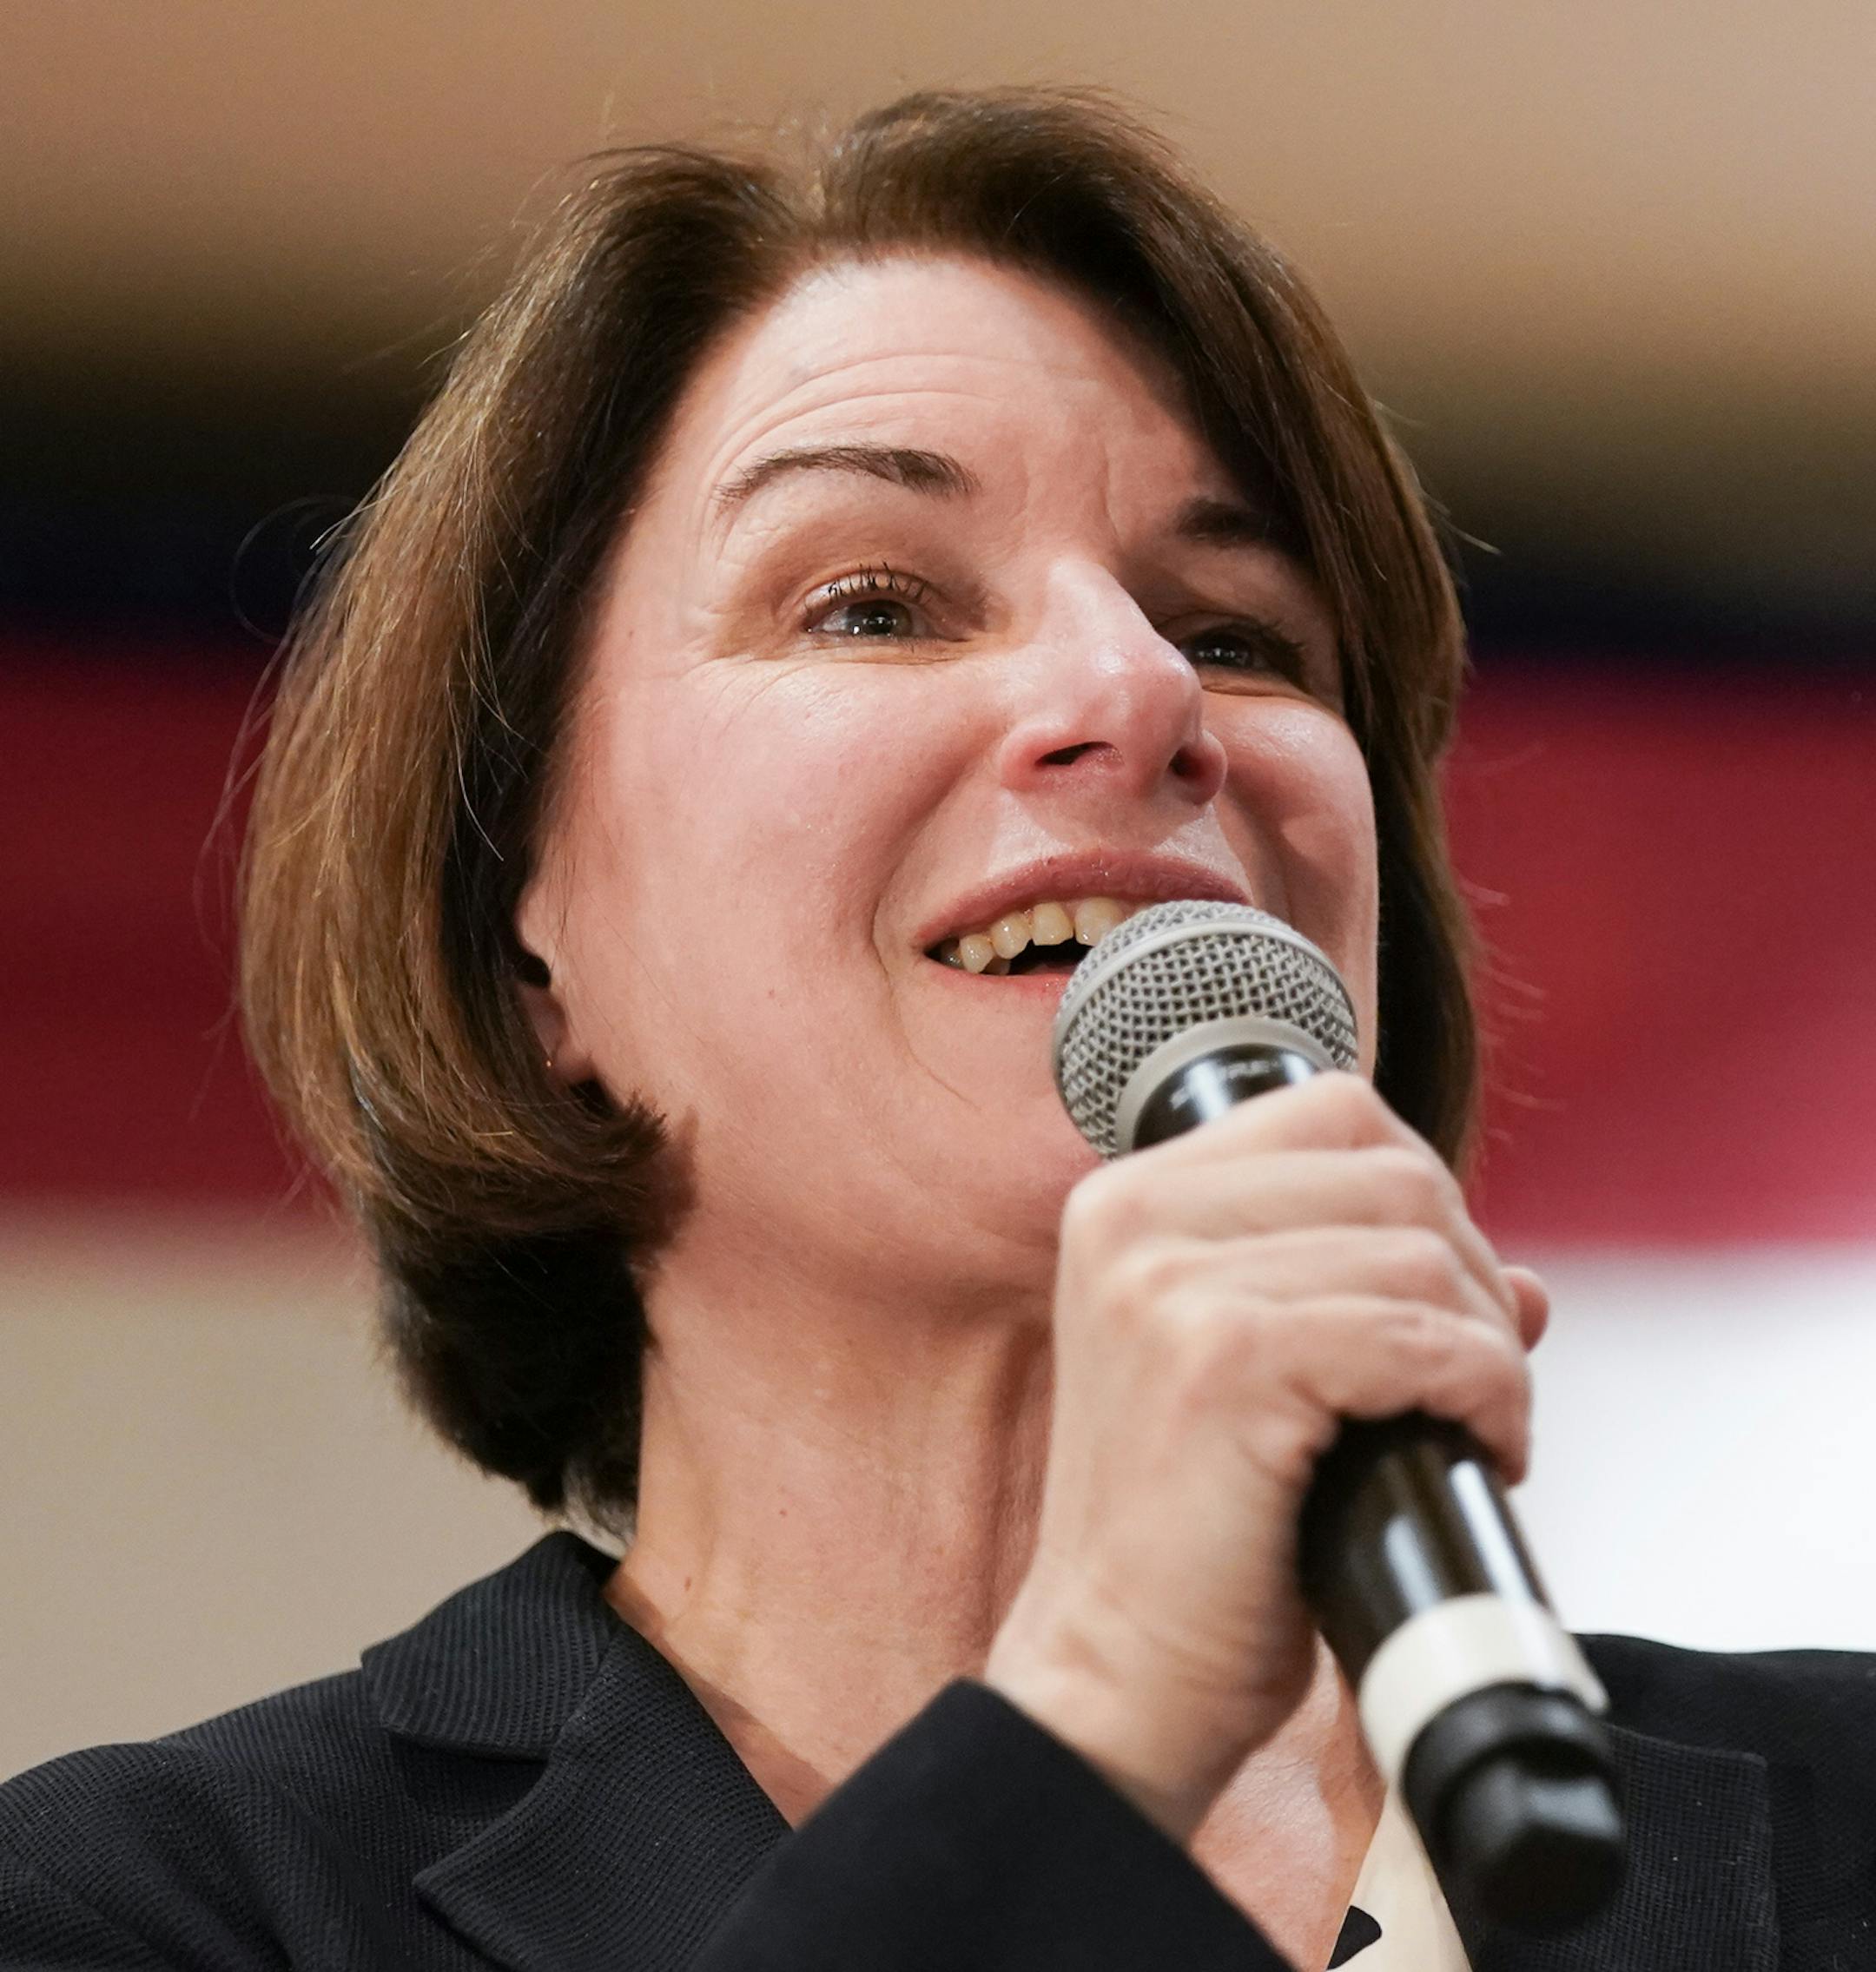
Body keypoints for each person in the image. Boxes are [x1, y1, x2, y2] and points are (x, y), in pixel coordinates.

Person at [2, 86, 1870, 1972]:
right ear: (525, 941)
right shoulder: (139, 1912)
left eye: (1240, 635)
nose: (1141, 687)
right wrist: (1101, 1714)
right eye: (874, 606)